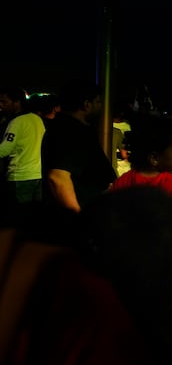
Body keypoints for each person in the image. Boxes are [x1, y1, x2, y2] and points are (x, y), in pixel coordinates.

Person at [40, 80, 117, 246]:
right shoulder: (70, 132)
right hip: (74, 220)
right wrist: (79, 220)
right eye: (98, 102)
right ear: (86, 104)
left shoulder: (72, 128)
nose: (101, 107)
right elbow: (58, 177)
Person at [0, 92, 45, 225]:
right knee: (34, 220)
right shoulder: (37, 119)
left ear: (17, 102)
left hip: (19, 177)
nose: (1, 105)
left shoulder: (16, 122)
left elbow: (4, 149)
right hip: (37, 174)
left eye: (4, 102)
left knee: (17, 220)